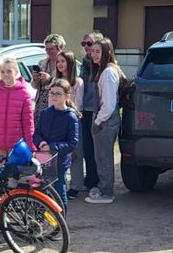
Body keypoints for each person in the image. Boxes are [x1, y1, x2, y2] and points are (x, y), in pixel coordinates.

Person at [85, 37, 125, 205]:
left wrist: (97, 122)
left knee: (104, 157)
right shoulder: (104, 70)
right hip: (105, 119)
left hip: (106, 121)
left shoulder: (108, 73)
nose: (94, 55)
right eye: (92, 51)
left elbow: (108, 105)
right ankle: (103, 188)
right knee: (101, 156)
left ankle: (106, 192)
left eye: (98, 52)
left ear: (107, 52)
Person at [33, 79, 80, 214]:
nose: (54, 96)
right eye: (52, 93)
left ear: (67, 96)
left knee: (59, 190)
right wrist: (41, 143)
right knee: (41, 190)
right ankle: (41, 218)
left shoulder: (71, 117)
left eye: (58, 93)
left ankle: (60, 219)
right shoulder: (45, 113)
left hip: (60, 160)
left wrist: (52, 147)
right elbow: (37, 133)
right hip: (44, 159)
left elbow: (72, 142)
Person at [0, 57, 35, 157]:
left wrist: (31, 147)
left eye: (9, 71)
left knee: (15, 168)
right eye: (2, 71)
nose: (5, 74)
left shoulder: (24, 94)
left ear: (16, 72)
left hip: (17, 146)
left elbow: (28, 124)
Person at [53, 50, 85, 198]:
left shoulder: (77, 82)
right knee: (58, 153)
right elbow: (51, 102)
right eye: (58, 61)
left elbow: (78, 104)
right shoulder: (55, 81)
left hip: (72, 120)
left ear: (70, 63)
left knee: (75, 154)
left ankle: (76, 185)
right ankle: (60, 184)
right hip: (57, 121)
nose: (60, 64)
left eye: (63, 61)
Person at [78, 31, 104, 193]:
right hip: (84, 110)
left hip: (97, 111)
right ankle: (90, 180)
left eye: (89, 43)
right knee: (87, 149)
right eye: (84, 44)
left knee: (98, 150)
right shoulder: (85, 63)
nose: (86, 47)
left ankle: (100, 182)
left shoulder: (102, 65)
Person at [31, 33, 66, 125]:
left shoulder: (64, 64)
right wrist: (35, 79)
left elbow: (67, 83)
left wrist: (50, 79)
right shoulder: (42, 63)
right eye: (46, 49)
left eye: (51, 49)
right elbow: (34, 86)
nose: (48, 51)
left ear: (59, 48)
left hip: (56, 103)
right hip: (40, 103)